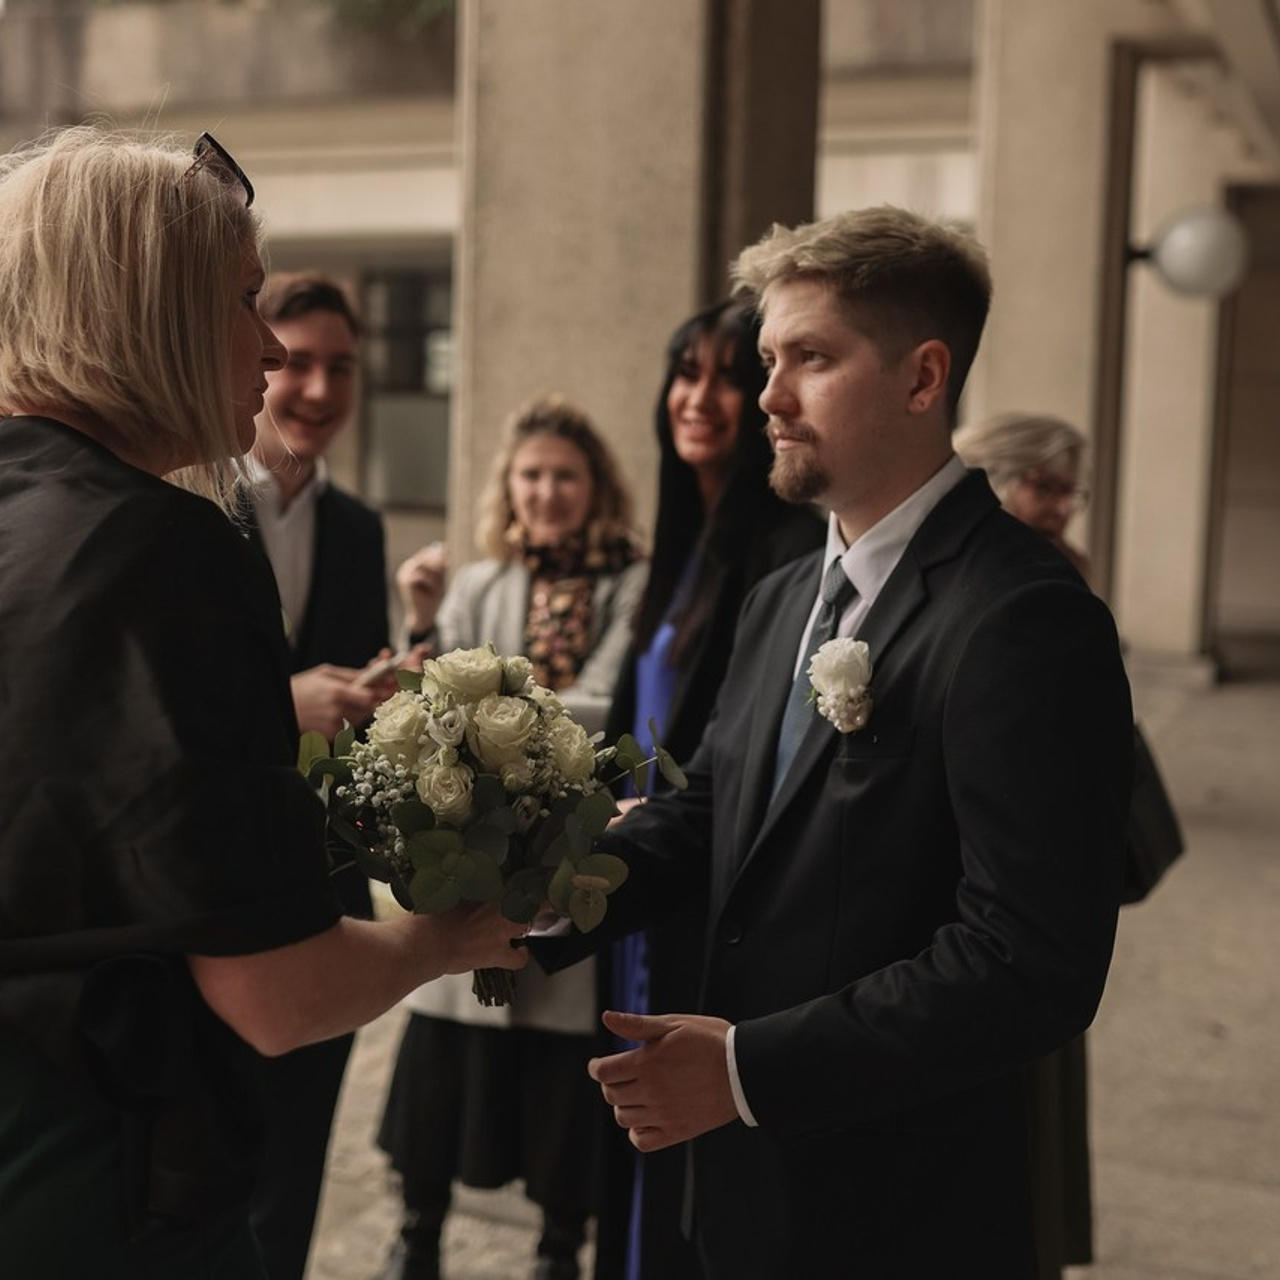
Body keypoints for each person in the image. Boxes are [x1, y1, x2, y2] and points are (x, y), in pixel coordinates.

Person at [541, 206, 1135, 1278]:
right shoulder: (778, 598)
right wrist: (541, 891)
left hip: (902, 1207)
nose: (763, 397)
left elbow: (1024, 960)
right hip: (738, 1197)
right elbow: (712, 811)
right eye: (768, 359)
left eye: (808, 358)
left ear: (921, 378)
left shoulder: (1021, 616)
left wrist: (741, 1069)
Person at [0, 126, 525, 1279]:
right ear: (152, 311)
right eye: (243, 298)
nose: (272, 344)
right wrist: (445, 935)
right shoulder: (169, 545)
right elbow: (278, 996)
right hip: (95, 1191)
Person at [377, 394, 647, 1280]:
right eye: (531, 474)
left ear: (594, 485)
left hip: (570, 840)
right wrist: (421, 624)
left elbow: (607, 702)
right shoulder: (482, 583)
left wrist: (496, 725)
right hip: (474, 841)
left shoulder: (627, 583)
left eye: (564, 475)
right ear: (511, 485)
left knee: (557, 1052)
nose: (546, 491)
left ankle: (559, 1251)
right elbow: (428, 692)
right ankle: (417, 1237)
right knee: (451, 1039)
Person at [595, 300, 823, 1280]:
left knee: (688, 1145)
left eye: (728, 374)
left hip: (699, 883)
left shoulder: (782, 553)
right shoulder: (681, 541)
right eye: (684, 373)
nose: (701, 397)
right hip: (634, 872)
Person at [243, 271, 401, 1280]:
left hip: (329, 879)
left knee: (300, 1156)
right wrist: (284, 704)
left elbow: (349, 712)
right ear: (259, 362)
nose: (315, 388)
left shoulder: (360, 527)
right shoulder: (187, 505)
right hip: (219, 881)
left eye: (338, 367)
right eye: (296, 361)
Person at [952, 411, 1091, 577]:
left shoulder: (1067, 568)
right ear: (990, 481)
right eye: (1045, 488)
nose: (1063, 509)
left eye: (1068, 491)